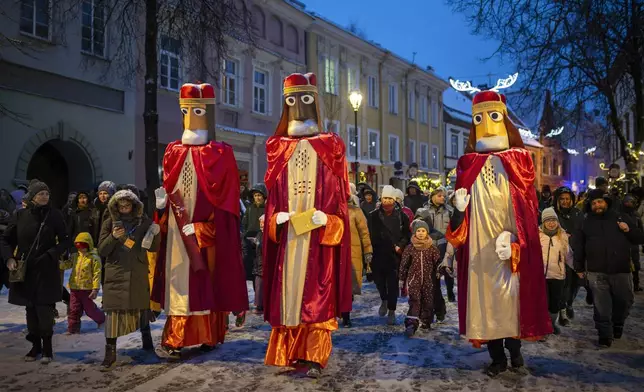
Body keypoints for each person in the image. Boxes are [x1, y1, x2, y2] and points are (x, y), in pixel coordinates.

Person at [445, 82, 551, 377]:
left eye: (493, 117)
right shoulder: (467, 166)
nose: (488, 126)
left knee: (511, 304)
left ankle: (515, 354)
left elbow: (528, 216)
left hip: (508, 253)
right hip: (480, 256)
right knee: (487, 306)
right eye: (480, 118)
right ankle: (497, 358)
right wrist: (458, 209)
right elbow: (457, 230)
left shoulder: (518, 163)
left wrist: (516, 243)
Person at [262, 73, 352, 378]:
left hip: (316, 241)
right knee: (289, 299)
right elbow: (272, 204)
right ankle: (292, 353)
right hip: (290, 241)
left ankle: (314, 356)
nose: (298, 107)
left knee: (317, 298)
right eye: (291, 100)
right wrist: (275, 220)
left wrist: (328, 220)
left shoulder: (330, 147)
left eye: (304, 99)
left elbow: (340, 203)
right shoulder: (278, 149)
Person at [152, 82, 248, 360]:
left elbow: (228, 206)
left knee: (204, 283)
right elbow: (170, 190)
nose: (191, 118)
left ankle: (208, 334)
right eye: (186, 111)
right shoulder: (172, 152)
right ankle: (175, 337)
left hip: (205, 238)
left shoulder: (220, 154)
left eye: (196, 110)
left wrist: (207, 229)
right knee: (178, 283)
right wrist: (162, 210)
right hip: (177, 234)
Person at [1, 180, 69, 364]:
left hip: (46, 269)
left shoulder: (54, 215)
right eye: (40, 194)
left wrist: (51, 254)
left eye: (46, 193)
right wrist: (9, 258)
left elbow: (64, 240)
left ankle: (47, 349)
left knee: (45, 309)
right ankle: (35, 347)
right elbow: (6, 239)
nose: (44, 196)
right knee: (30, 309)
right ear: (32, 197)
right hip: (26, 269)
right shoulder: (20, 215)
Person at [573, 189, 644, 347]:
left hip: (621, 270)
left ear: (606, 202)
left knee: (624, 301)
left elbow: (639, 237)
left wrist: (628, 229)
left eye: (600, 202)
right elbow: (578, 245)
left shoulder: (620, 217)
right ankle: (604, 334)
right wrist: (578, 267)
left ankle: (618, 324)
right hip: (596, 271)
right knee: (601, 306)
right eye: (593, 203)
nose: (597, 205)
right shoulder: (585, 221)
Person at [98, 189, 160, 370]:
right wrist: (113, 237)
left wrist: (155, 233)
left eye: (128, 205)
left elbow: (153, 247)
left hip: (137, 272)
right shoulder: (110, 223)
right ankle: (110, 353)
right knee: (113, 314)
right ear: (115, 207)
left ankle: (147, 344)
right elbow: (102, 250)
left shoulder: (143, 222)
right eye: (121, 205)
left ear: (134, 206)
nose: (124, 208)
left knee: (141, 309)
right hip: (115, 272)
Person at [368, 185, 411, 325]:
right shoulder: (373, 215)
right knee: (379, 282)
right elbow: (367, 234)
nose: (386, 201)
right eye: (384, 198)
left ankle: (392, 310)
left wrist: (401, 245)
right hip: (377, 253)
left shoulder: (402, 216)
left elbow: (406, 235)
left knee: (392, 285)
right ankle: (384, 300)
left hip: (394, 255)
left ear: (393, 200)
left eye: (389, 198)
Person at [400, 220, 441, 337]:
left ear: (427, 232)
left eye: (423, 231)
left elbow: (438, 262)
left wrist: (440, 271)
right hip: (414, 280)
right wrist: (402, 278)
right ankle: (411, 323)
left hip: (429, 280)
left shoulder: (432, 248)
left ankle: (425, 321)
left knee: (428, 301)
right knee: (415, 300)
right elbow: (404, 264)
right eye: (418, 231)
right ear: (414, 232)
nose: (421, 233)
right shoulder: (410, 248)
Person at [59, 232, 105, 334]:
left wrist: (95, 289)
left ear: (88, 245)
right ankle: (73, 329)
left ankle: (102, 320)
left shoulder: (94, 258)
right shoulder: (75, 256)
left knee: (90, 310)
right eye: (78, 247)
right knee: (74, 309)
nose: (80, 249)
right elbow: (67, 265)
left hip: (87, 289)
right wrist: (59, 264)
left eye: (83, 247)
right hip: (74, 288)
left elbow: (97, 274)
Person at [552, 186, 584, 324]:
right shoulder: (553, 213)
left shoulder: (578, 213)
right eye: (562, 199)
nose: (565, 201)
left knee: (576, 283)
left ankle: (569, 303)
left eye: (567, 199)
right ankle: (562, 311)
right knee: (563, 284)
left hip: (576, 253)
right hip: (559, 254)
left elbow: (584, 231)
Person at [539, 208, 572, 335]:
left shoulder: (562, 236)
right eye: (548, 220)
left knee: (554, 305)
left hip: (558, 276)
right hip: (541, 276)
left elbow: (568, 255)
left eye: (553, 220)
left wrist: (577, 268)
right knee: (543, 304)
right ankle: (543, 328)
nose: (551, 223)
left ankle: (552, 324)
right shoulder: (538, 235)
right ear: (543, 222)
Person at [419, 187, 455, 302]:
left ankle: (450, 291)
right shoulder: (424, 210)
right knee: (433, 276)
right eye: (439, 196)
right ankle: (437, 298)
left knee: (448, 271)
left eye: (444, 196)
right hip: (430, 246)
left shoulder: (449, 210)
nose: (443, 198)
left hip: (445, 246)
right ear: (432, 196)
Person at [345, 184, 372, 327]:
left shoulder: (355, 211)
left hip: (352, 252)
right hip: (336, 252)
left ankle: (346, 314)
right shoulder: (332, 210)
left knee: (348, 284)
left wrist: (368, 250)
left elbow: (364, 232)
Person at [241, 183, 267, 318]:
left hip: (262, 243)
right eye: (255, 195)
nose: (257, 198)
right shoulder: (249, 209)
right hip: (249, 244)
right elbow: (244, 225)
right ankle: (257, 300)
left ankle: (261, 301)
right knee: (252, 272)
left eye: (259, 195)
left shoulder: (267, 209)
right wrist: (245, 237)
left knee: (260, 272)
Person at [621, 194, 643, 292]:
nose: (629, 203)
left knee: (636, 265)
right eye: (627, 202)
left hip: (634, 244)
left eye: (631, 202)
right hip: (625, 243)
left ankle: (636, 284)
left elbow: (640, 229)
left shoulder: (636, 215)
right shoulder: (620, 215)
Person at [252, 215, 265, 314]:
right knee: (258, 285)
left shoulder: (267, 234)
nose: (261, 224)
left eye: (263, 222)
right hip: (258, 263)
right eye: (260, 222)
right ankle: (259, 304)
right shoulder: (259, 234)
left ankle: (261, 305)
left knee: (261, 285)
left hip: (263, 264)